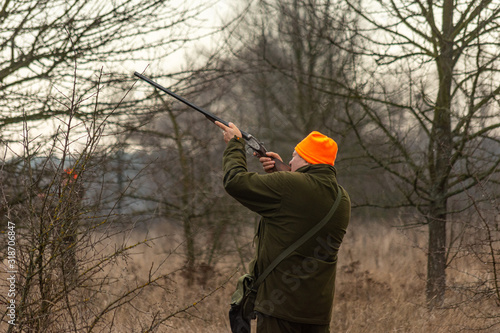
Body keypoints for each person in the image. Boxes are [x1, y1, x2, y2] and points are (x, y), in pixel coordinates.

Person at [216, 122, 351, 333]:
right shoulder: (342, 198)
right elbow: (297, 213)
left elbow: (235, 182)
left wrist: (235, 145)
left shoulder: (290, 185)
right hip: (317, 311)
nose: (289, 160)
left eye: (295, 156)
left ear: (308, 160)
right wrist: (281, 172)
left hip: (279, 307)